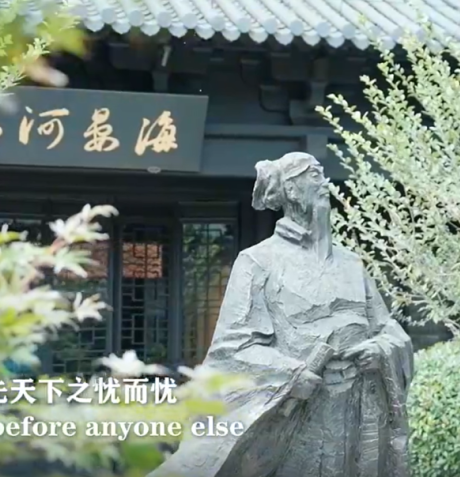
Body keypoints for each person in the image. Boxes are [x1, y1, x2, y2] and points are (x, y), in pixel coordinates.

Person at [150, 152, 413, 477]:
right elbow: (231, 349)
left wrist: (380, 350)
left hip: (356, 413)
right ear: (291, 189)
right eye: (314, 175)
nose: (325, 184)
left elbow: (389, 330)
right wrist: (290, 374)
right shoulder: (258, 261)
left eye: (323, 175)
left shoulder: (351, 264)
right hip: (297, 418)